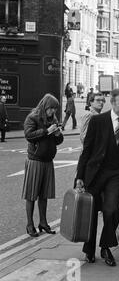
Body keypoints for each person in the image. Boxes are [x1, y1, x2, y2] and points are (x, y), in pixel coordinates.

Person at [75, 88, 119, 266]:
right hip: (95, 173)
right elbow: (86, 150)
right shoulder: (97, 121)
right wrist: (79, 176)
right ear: (112, 102)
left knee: (112, 210)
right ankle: (89, 249)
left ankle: (105, 247)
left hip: (116, 173)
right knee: (92, 212)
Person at [22, 94, 64, 237]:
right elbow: (28, 135)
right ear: (45, 106)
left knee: (44, 195)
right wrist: (46, 131)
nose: (53, 111)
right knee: (31, 194)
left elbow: (58, 141)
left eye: (55, 109)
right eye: (51, 108)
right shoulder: (33, 117)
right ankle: (29, 224)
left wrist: (58, 134)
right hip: (35, 160)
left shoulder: (53, 119)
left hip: (48, 160)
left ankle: (43, 223)